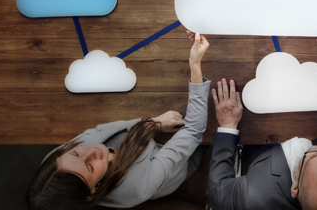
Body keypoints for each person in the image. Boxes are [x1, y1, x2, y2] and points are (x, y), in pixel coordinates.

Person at [26, 31, 212, 210]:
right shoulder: (138, 186)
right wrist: (195, 63)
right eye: (90, 167)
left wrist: (153, 123)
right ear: (91, 194)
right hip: (178, 163)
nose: (91, 151)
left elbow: (99, 131)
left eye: (75, 153)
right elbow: (193, 130)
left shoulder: (54, 163)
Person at [206, 34, 317, 210]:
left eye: (313, 156)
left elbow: (216, 191)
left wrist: (227, 127)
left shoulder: (253, 197)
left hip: (260, 145)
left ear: (294, 186)